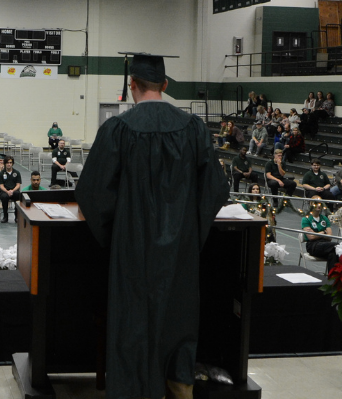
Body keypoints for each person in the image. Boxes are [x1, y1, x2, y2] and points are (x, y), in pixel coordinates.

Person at [73, 54, 227, 399]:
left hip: (132, 252)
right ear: (166, 86)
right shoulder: (193, 128)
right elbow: (216, 189)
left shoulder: (118, 128)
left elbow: (92, 193)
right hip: (181, 254)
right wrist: (189, 233)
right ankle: (179, 383)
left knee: (133, 325)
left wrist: (117, 235)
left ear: (132, 86)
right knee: (178, 318)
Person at [0, 158, 21, 223]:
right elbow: (1, 185)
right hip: (5, 191)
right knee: (4, 197)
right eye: (7, 163)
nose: (9, 164)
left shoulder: (17, 173)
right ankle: (5, 216)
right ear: (5, 164)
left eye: (10, 163)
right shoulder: (1, 173)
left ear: (12, 163)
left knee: (18, 195)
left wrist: (12, 190)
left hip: (14, 191)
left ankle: (17, 216)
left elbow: (18, 185)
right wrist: (7, 191)